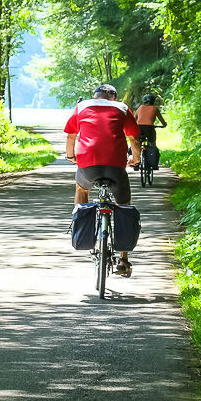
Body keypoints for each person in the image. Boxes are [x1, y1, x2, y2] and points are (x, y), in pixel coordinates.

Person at [64, 83, 140, 277]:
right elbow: (134, 138)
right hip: (116, 167)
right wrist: (135, 159)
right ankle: (123, 259)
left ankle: (81, 230)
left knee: (81, 190)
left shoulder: (81, 107)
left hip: (87, 167)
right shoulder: (122, 108)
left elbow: (71, 136)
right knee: (124, 205)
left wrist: (71, 156)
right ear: (113, 97)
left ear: (95, 95)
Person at [134, 93, 167, 169]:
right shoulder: (155, 108)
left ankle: (136, 163)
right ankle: (154, 164)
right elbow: (161, 120)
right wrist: (164, 125)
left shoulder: (140, 108)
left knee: (137, 145)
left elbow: (134, 118)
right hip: (150, 129)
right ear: (153, 101)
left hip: (139, 128)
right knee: (152, 144)